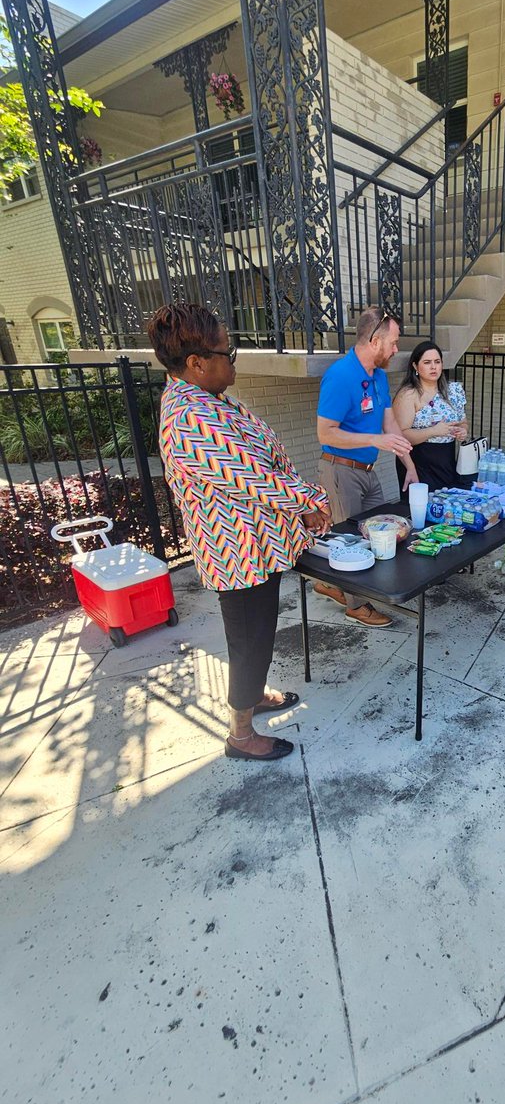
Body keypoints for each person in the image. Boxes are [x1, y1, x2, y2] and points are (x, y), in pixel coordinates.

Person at [148, 303, 331, 762]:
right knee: (249, 640)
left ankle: (253, 696)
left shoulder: (206, 399)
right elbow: (254, 478)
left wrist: (299, 506)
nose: (233, 360)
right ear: (196, 362)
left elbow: (261, 463)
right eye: (227, 352)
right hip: (237, 553)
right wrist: (311, 501)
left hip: (255, 545)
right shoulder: (191, 417)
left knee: (259, 635)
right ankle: (241, 736)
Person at [314, 306, 416, 628]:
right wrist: (375, 439)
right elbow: (325, 433)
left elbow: (391, 425)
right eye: (394, 342)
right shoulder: (340, 376)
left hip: (368, 471)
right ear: (375, 341)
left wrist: (409, 465)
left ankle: (332, 585)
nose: (396, 349)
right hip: (341, 470)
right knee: (350, 539)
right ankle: (356, 605)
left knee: (381, 533)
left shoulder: (379, 377)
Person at [392, 340, 468, 491]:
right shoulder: (408, 395)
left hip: (447, 459)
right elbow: (400, 436)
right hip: (419, 462)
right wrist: (433, 431)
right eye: (427, 362)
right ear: (415, 366)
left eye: (437, 362)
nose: (433, 367)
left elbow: (463, 421)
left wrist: (463, 430)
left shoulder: (453, 390)